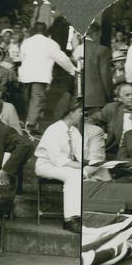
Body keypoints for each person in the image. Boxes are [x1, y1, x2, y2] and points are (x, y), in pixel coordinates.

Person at [34, 98, 83, 233]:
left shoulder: (74, 131)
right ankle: (70, 219)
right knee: (74, 175)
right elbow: (56, 159)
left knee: (81, 173)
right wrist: (79, 166)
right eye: (79, 111)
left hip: (65, 165)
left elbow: (80, 154)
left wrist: (85, 165)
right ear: (70, 113)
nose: (81, 114)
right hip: (47, 165)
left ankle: (79, 214)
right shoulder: (54, 129)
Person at [18, 22, 77, 133]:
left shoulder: (26, 42)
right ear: (46, 31)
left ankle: (30, 122)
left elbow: (22, 57)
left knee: (29, 99)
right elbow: (62, 59)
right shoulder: (50, 43)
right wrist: (73, 70)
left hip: (25, 74)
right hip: (40, 75)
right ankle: (30, 125)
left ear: (34, 30)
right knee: (37, 99)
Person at [90, 82, 132, 159]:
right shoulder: (112, 108)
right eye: (127, 95)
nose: (131, 97)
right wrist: (100, 134)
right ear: (120, 98)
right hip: (113, 152)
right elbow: (92, 120)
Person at [83, 23, 113, 112]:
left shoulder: (78, 48)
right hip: (95, 99)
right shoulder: (102, 50)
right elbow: (105, 76)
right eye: (100, 35)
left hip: (79, 96)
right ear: (96, 34)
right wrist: (110, 97)